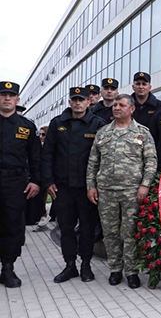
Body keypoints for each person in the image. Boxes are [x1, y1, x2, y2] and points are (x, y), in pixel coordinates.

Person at [86, 94, 157, 288]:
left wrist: (145, 185)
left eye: (121, 105)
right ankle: (115, 269)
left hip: (132, 191)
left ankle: (132, 271)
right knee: (110, 233)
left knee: (131, 232)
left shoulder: (142, 133)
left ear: (131, 109)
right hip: (106, 191)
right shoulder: (102, 133)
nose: (117, 108)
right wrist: (91, 186)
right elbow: (93, 163)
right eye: (115, 105)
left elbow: (151, 161)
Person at [41, 87, 106, 283]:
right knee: (66, 228)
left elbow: (104, 156)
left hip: (87, 188)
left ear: (89, 102)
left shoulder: (98, 124)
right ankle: (70, 265)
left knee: (87, 228)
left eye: (82, 100)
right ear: (69, 102)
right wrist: (48, 181)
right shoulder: (57, 123)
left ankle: (86, 264)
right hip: (63, 187)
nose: (78, 103)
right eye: (75, 100)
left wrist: (98, 185)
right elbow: (47, 154)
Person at [0, 81, 41, 288]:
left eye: (11, 95)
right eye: (3, 95)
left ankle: (7, 268)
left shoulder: (26, 126)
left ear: (17, 99)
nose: (7, 98)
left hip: (15, 182)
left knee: (13, 224)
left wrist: (36, 181)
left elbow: (36, 157)